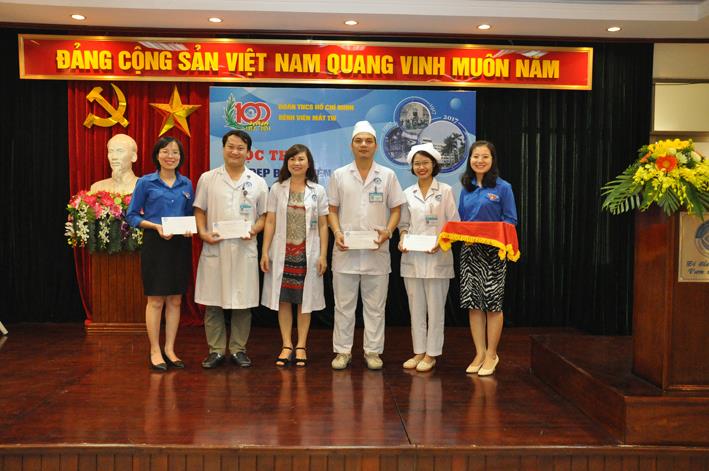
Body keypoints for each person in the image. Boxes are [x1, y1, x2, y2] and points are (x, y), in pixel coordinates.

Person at [327, 120, 406, 370]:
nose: (364, 145)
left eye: (368, 141)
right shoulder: (339, 175)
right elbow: (331, 210)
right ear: (351, 145)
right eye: (359, 141)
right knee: (343, 306)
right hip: (345, 252)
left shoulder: (388, 175)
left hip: (376, 252)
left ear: (375, 146)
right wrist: (337, 232)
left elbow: (396, 209)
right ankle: (342, 351)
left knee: (375, 307)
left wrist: (388, 231)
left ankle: (372, 351)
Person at [194, 130, 268, 369]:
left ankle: (238, 349)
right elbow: (200, 210)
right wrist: (203, 233)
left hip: (244, 249)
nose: (235, 151)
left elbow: (264, 216)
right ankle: (215, 350)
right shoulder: (208, 178)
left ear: (249, 153)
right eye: (231, 147)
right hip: (215, 248)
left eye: (240, 148)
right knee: (213, 303)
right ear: (223, 149)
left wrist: (254, 230)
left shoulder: (257, 182)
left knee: (243, 303)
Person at [126, 136, 194, 371]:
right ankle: (155, 350)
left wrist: (189, 228)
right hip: (155, 243)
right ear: (157, 155)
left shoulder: (187, 184)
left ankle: (170, 349)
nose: (170, 156)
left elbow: (189, 215)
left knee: (175, 299)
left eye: (175, 152)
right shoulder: (146, 182)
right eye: (165, 151)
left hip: (179, 245)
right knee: (155, 299)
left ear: (180, 157)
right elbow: (131, 216)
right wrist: (155, 226)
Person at [260, 144, 329, 367]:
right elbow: (270, 221)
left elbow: (323, 225)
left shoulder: (318, 191)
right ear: (286, 163)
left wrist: (323, 256)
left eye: (300, 159)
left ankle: (301, 345)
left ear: (308, 163)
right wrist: (265, 251)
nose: (296, 163)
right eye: (292, 159)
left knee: (304, 302)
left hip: (307, 255)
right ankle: (286, 344)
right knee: (284, 300)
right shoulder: (277, 189)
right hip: (283, 254)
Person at [398, 143, 459, 372]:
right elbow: (403, 224)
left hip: (437, 259)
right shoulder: (407, 193)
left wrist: (441, 242)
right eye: (417, 163)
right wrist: (402, 239)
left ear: (434, 165)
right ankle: (418, 351)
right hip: (412, 259)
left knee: (435, 309)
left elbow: (454, 224)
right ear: (412, 167)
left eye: (425, 163)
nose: (421, 167)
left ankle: (431, 354)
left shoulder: (445, 191)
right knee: (415, 309)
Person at [458, 140, 517, 376]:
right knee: (473, 304)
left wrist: (493, 235)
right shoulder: (466, 188)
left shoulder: (503, 187)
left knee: (492, 304)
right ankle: (479, 352)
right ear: (470, 160)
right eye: (475, 156)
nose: (480, 160)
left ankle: (492, 354)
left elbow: (511, 220)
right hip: (470, 251)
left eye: (485, 156)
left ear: (492, 160)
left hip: (494, 252)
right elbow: (462, 220)